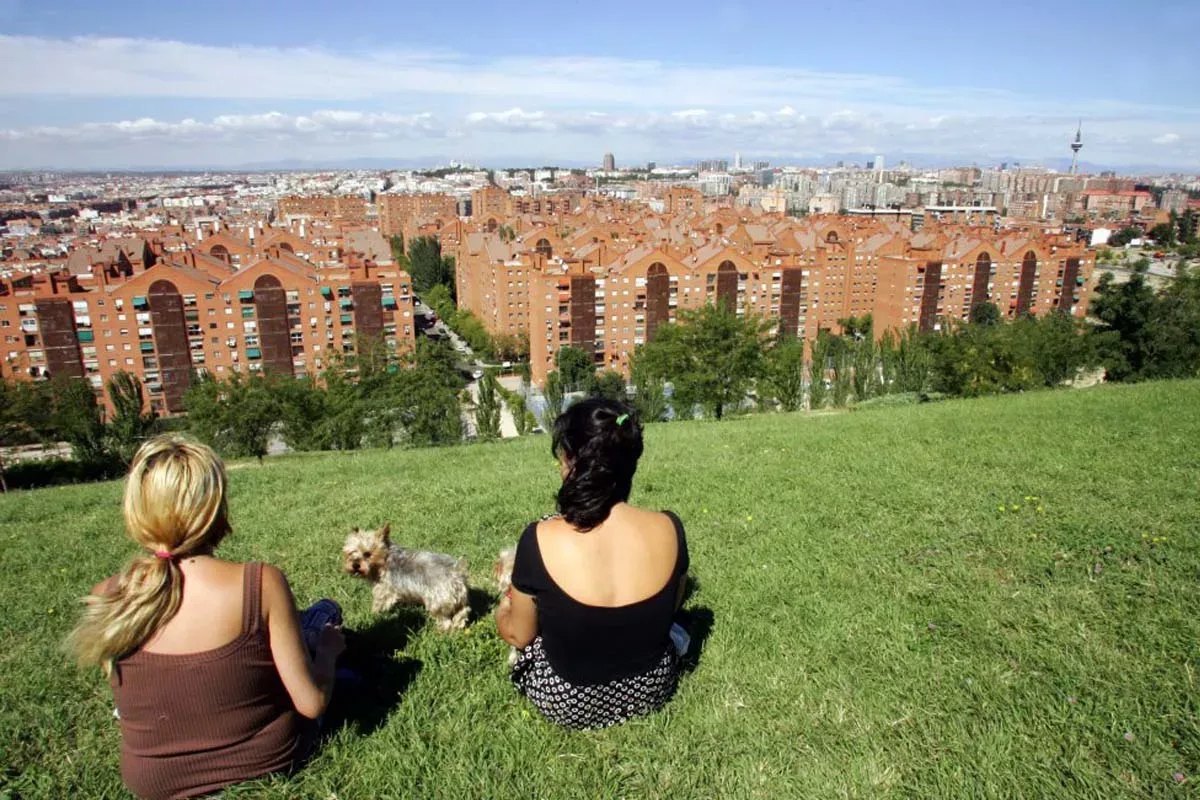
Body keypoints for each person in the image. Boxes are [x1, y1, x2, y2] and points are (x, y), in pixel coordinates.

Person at [68, 434, 345, 800]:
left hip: (154, 783)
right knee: (324, 615)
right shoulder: (260, 582)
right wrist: (326, 653)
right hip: (266, 760)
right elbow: (311, 705)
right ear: (214, 507)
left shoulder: (108, 597)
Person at [496, 398, 690, 730]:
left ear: (573, 464)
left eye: (563, 458)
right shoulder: (670, 527)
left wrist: (504, 606)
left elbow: (518, 635)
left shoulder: (538, 538)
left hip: (570, 703)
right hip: (652, 689)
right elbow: (673, 606)